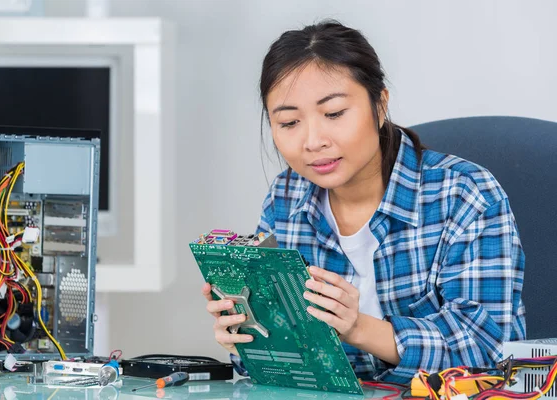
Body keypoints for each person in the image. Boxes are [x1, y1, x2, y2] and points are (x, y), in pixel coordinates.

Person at [201, 20, 526, 383]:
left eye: (334, 113)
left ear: (380, 105)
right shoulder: (285, 198)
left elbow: (489, 352)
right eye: (290, 122)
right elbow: (293, 367)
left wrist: (358, 327)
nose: (313, 141)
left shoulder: (465, 194)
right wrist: (249, 338)